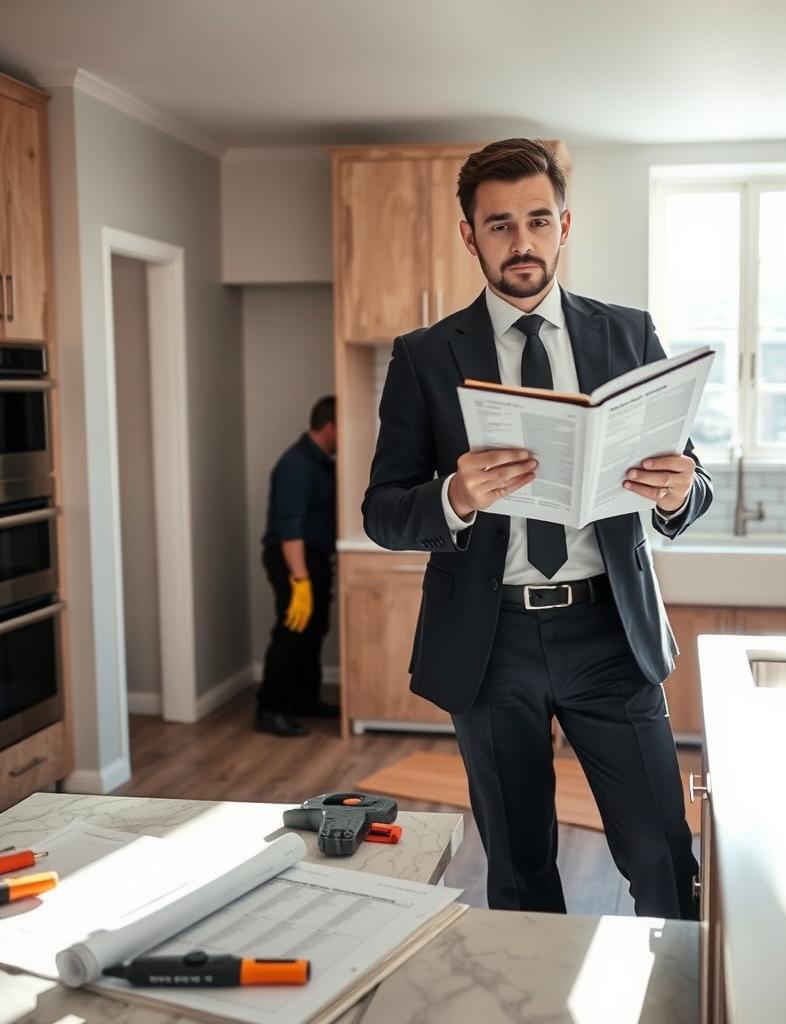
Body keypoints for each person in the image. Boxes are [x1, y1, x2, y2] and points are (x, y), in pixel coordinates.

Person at [362, 139, 713, 918]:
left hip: (610, 634)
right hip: (489, 647)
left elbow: (691, 479)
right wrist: (453, 494)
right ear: (469, 235)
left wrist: (675, 492)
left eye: (537, 220)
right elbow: (381, 510)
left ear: (564, 224)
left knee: (663, 853)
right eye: (498, 225)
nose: (521, 243)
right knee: (518, 871)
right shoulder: (424, 357)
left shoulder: (628, 335)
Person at [256, 395, 338, 738]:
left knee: (314, 631)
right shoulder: (297, 465)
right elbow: (290, 529)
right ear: (331, 427)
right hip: (293, 559)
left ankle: (304, 700)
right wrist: (300, 581)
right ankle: (270, 709)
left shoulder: (321, 462)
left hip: (314, 559)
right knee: (292, 632)